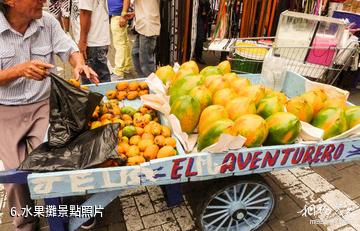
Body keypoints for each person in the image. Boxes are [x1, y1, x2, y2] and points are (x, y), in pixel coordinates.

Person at [0, 0, 98, 230]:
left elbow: (69, 48)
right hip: (6, 110)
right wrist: (18, 70)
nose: (44, 1)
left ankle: (70, 202)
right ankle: (26, 221)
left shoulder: (48, 22)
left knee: (58, 158)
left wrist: (79, 64)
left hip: (44, 104)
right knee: (16, 175)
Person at [71, 0, 111, 84]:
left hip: (91, 42)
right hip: (95, 41)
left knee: (94, 83)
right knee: (99, 80)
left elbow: (85, 13)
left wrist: (83, 41)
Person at [129, 0, 160, 78]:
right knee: (135, 54)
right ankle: (143, 81)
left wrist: (123, 13)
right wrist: (135, 13)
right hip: (142, 25)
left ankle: (150, 85)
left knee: (146, 62)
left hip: (148, 26)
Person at [108, 0, 134, 81]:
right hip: (118, 15)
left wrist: (123, 15)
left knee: (119, 44)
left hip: (118, 15)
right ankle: (126, 66)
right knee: (124, 42)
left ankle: (118, 72)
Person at [194, 0, 211, 64]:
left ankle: (198, 56)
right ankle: (197, 56)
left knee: (199, 37)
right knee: (199, 36)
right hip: (198, 14)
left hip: (200, 15)